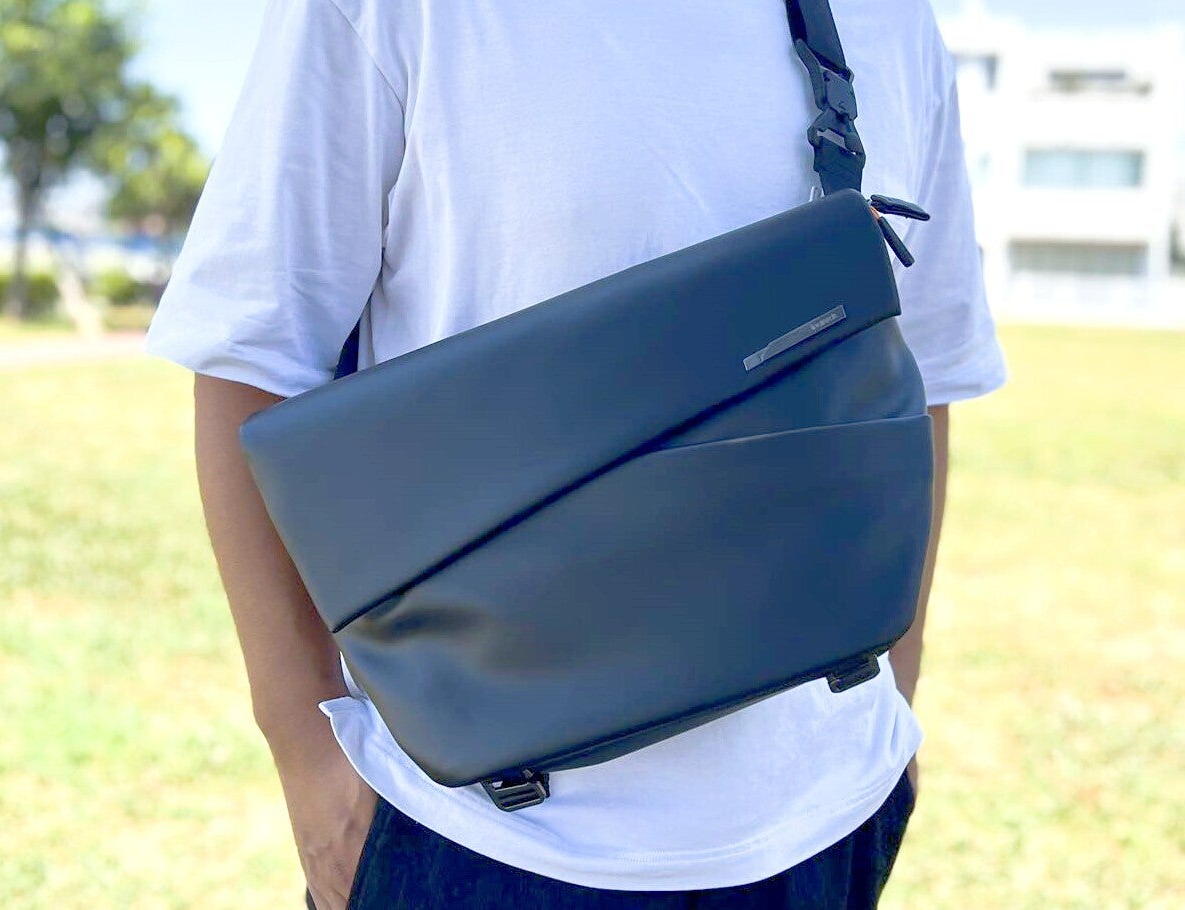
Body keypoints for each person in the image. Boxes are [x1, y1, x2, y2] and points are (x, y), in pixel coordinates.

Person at [144, 1, 1007, 907]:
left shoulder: (891, 22)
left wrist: (895, 708)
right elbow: (249, 358)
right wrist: (310, 765)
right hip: (479, 838)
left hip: (832, 818)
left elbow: (923, 373)